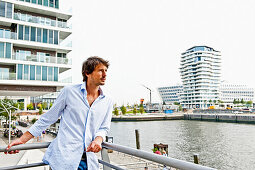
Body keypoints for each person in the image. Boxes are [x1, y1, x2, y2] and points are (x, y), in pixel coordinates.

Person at [5, 56, 114, 170]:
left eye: (106, 71)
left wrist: (98, 139)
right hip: (64, 160)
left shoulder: (108, 100)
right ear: (87, 73)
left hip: (89, 161)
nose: (105, 74)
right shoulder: (69, 92)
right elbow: (47, 118)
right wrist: (22, 140)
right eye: (100, 70)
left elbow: (104, 127)